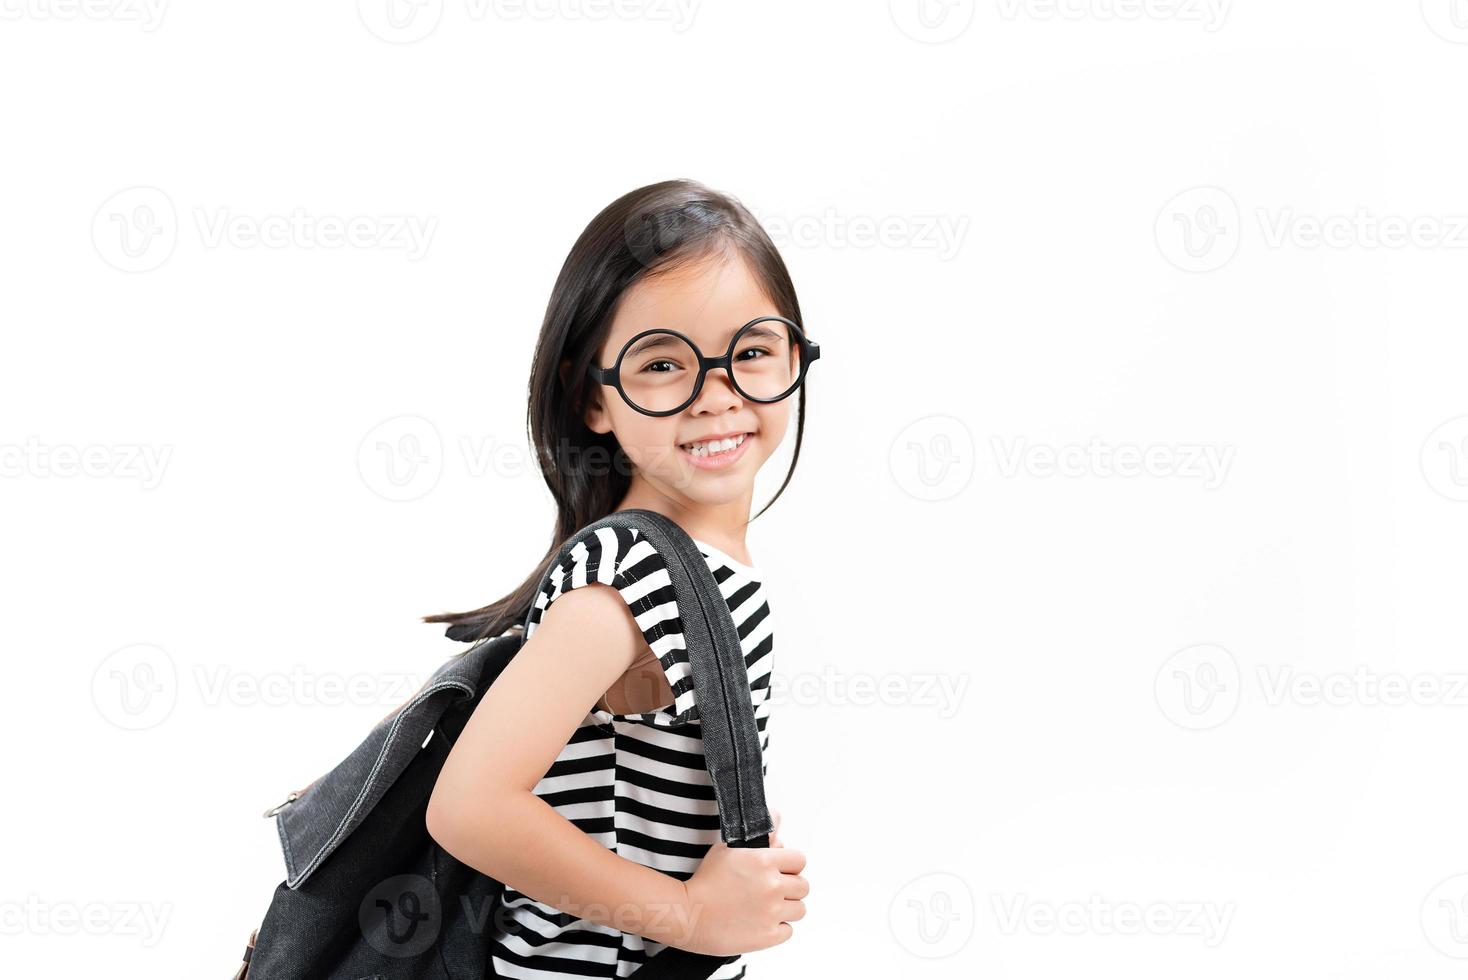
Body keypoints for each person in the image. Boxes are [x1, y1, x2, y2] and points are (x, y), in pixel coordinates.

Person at [422, 178, 822, 978]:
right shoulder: (623, 586)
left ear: (795, 354)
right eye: (663, 364)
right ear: (592, 399)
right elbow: (469, 808)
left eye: (750, 352)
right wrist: (691, 916)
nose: (718, 396)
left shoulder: (695, 570)